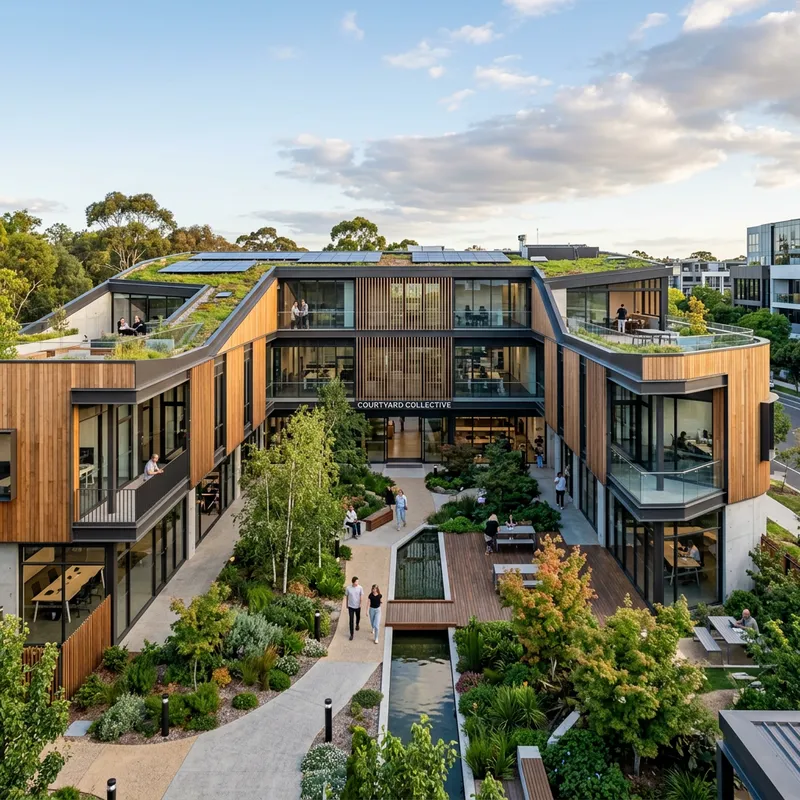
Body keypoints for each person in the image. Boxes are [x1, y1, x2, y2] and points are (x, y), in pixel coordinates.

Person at [345, 576, 363, 641]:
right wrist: (346, 604)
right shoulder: (348, 588)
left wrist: (360, 603)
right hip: (351, 606)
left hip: (357, 606)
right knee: (351, 620)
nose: (357, 583)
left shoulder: (360, 588)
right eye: (356, 581)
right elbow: (347, 596)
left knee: (358, 617)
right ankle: (351, 634)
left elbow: (361, 596)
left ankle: (357, 624)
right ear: (353, 582)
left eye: (358, 581)